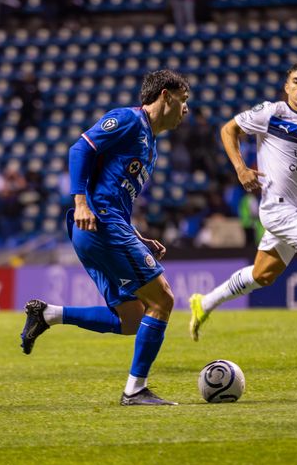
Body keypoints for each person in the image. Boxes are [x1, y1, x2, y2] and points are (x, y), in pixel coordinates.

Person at [19, 70, 190, 406]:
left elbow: (115, 193)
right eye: (184, 102)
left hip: (105, 227)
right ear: (166, 96)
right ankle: (135, 390)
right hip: (98, 224)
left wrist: (139, 237)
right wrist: (80, 201)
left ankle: (47, 314)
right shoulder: (128, 120)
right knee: (163, 300)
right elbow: (79, 149)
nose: (186, 110)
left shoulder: (150, 145)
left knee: (131, 319)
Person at [187, 61, 297, 356]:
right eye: (296, 81)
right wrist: (241, 169)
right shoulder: (272, 112)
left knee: (262, 275)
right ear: (286, 87)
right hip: (278, 209)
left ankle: (205, 302)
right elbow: (229, 130)